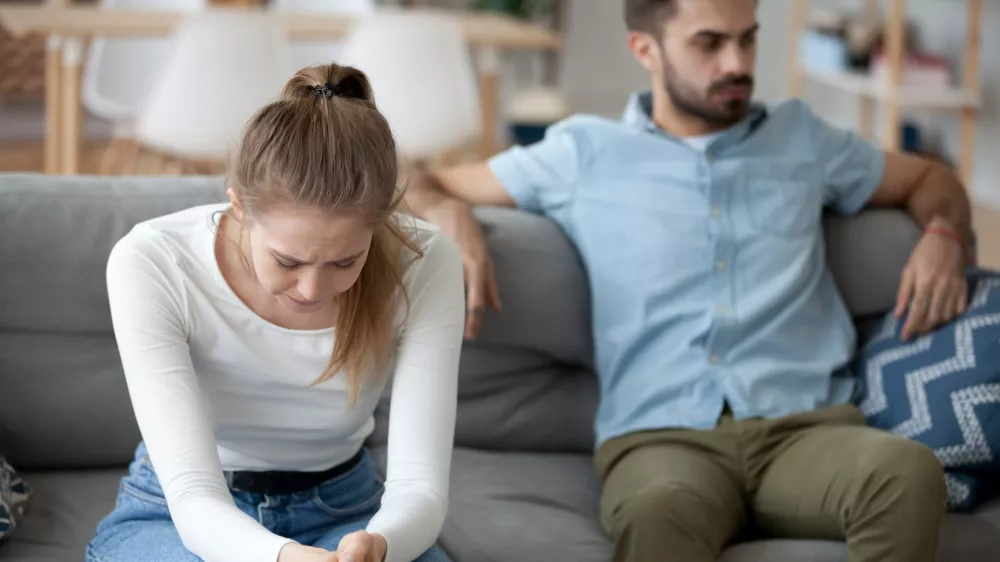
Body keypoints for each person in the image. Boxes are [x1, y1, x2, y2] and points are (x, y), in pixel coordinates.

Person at [403, 0, 975, 561]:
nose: (737, 63)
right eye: (709, 42)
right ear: (645, 49)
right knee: (657, 514)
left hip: (807, 430)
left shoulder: (802, 138)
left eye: (747, 38)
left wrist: (944, 237)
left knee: (907, 471)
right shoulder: (582, 153)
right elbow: (410, 176)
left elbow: (930, 179)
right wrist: (451, 215)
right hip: (661, 441)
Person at [86, 64, 465, 562]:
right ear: (239, 207)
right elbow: (194, 496)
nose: (312, 288)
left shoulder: (425, 261)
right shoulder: (153, 261)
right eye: (288, 260)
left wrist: (379, 545)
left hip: (347, 511)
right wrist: (283, 557)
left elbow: (421, 485)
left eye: (345, 261)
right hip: (181, 513)